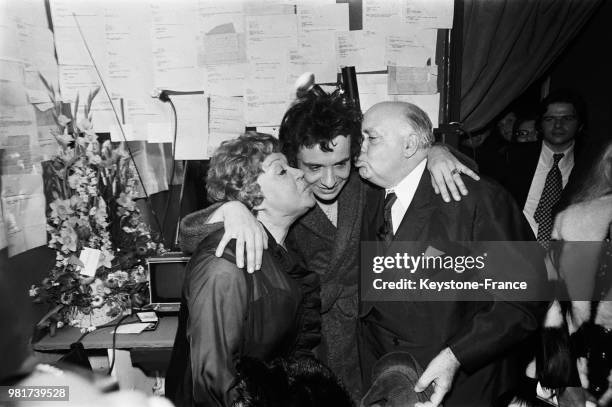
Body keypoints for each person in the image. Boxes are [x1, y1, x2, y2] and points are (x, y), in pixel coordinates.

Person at [193, 91, 479, 401]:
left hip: (371, 339)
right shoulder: (285, 197)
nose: (329, 180)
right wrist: (230, 208)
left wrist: (436, 150)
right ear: (293, 161)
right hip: (309, 346)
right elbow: (194, 234)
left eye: (341, 164)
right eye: (314, 167)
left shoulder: (371, 184)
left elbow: (418, 171)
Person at [356, 101, 548, 407]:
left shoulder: (477, 198)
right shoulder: (367, 194)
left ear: (409, 145)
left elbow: (523, 300)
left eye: (371, 137)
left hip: (462, 387)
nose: (360, 148)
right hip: (387, 378)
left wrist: (457, 355)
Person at [165, 133, 321, 407]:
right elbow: (215, 382)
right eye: (282, 171)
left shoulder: (283, 249)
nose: (300, 174)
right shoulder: (225, 262)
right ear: (254, 196)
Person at [503, 89, 587, 244]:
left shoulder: (590, 165)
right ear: (540, 125)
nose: (558, 125)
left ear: (580, 124)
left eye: (567, 118)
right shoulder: (512, 157)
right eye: (550, 119)